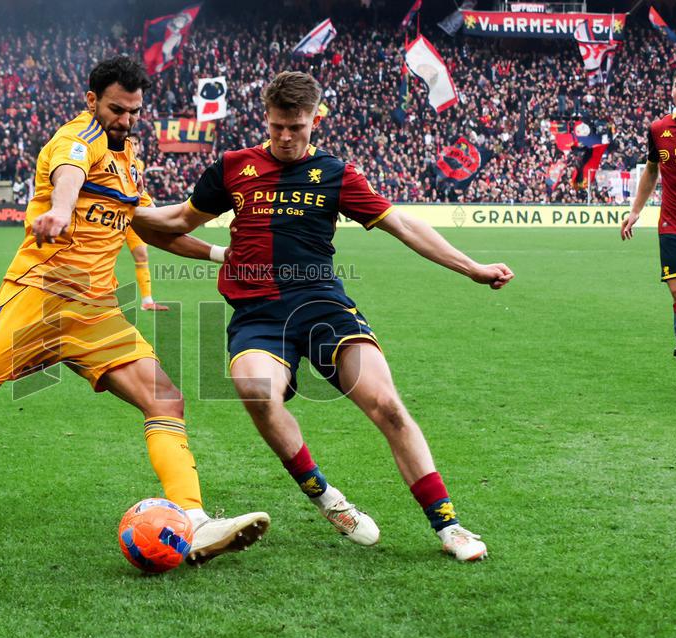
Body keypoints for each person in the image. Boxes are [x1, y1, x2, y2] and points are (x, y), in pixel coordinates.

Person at [0, 56, 269, 566]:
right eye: (116, 109)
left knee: (165, 400)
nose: (125, 120)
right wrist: (60, 210)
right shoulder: (74, 141)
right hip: (37, 300)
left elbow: (148, 226)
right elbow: (69, 174)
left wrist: (221, 255)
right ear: (91, 101)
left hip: (95, 312)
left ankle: (193, 522)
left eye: (134, 111)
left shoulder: (130, 161)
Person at [132, 71, 515, 562]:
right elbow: (171, 225)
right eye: (276, 128)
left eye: (296, 127)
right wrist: (112, 202)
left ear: (316, 119)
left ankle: (450, 526)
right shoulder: (233, 167)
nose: (286, 138)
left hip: (322, 306)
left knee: (388, 406)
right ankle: (327, 499)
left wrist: (472, 268)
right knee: (255, 391)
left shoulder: (336, 174)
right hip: (258, 314)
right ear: (266, 119)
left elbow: (402, 225)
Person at [621, 64, 676, 369]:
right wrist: (635, 210)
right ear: (671, 90)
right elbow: (651, 170)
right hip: (673, 224)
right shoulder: (658, 130)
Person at [125, 133, 168, 311]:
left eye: (136, 143)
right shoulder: (118, 160)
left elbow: (138, 192)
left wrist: (150, 205)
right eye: (131, 143)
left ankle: (147, 301)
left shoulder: (139, 164)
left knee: (142, 255)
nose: (133, 146)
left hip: (134, 216)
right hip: (116, 215)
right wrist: (152, 207)